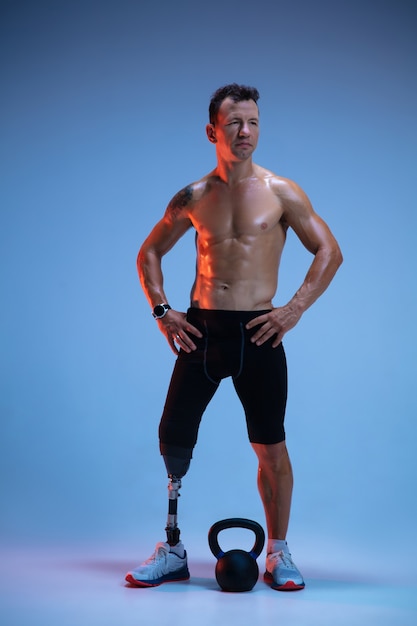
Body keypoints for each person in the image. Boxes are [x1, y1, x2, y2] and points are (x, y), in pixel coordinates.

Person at [125, 83, 342, 591]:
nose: (245, 132)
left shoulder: (282, 191)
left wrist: (293, 310)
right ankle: (173, 549)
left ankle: (278, 553)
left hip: (260, 334)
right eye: (234, 124)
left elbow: (329, 250)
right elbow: (149, 253)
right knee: (173, 440)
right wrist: (162, 311)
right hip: (202, 332)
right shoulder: (194, 196)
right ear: (212, 131)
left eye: (253, 123)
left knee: (271, 447)